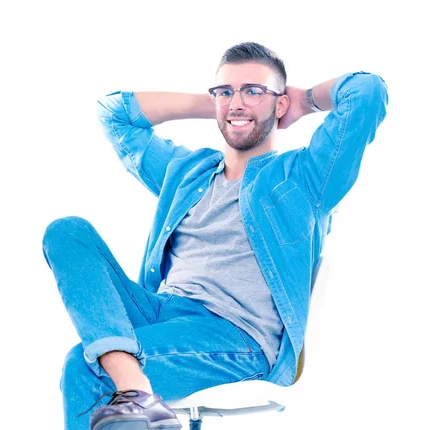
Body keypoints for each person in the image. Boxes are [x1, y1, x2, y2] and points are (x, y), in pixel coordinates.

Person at [42, 41, 388, 429]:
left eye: (254, 90)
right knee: (67, 232)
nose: (237, 101)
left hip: (236, 336)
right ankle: (137, 390)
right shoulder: (186, 172)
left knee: (84, 365)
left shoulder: (304, 178)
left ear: (279, 104)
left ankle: (134, 392)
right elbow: (114, 113)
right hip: (162, 311)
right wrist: (225, 108)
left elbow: (366, 92)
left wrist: (303, 102)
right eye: (226, 91)